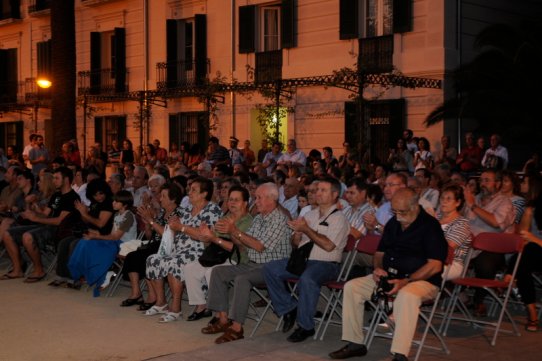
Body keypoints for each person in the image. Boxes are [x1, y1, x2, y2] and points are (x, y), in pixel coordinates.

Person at [328, 188, 447, 361]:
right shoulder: (393, 223)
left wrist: (407, 280)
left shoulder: (430, 226)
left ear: (415, 206)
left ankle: (399, 355)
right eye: (394, 211)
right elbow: (379, 254)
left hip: (422, 281)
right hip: (390, 277)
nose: (397, 216)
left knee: (407, 295)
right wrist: (377, 269)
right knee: (352, 287)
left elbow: (435, 265)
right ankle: (355, 344)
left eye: (402, 211)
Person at [201, 182, 291, 343]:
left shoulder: (278, 219)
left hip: (272, 267)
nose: (256, 201)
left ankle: (237, 328)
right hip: (253, 262)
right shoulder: (259, 219)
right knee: (218, 271)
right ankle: (223, 320)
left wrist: (233, 231)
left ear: (272, 198)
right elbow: (243, 244)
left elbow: (259, 246)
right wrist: (228, 232)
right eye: (256, 197)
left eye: (259, 198)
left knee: (242, 279)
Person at [263, 176, 349, 342]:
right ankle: (289, 308)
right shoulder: (309, 214)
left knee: (308, 278)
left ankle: (305, 326)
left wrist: (306, 230)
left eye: (323, 190)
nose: (318, 193)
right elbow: (296, 244)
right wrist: (297, 234)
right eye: (317, 190)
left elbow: (328, 246)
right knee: (270, 268)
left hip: (327, 264)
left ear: (334, 194)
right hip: (303, 261)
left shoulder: (339, 218)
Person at [145, 177, 222, 322]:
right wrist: (173, 228)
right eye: (189, 189)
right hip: (179, 248)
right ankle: (161, 303)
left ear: (204, 194)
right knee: (153, 259)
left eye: (194, 190)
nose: (189, 192)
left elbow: (204, 236)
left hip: (199, 252)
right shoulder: (187, 210)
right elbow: (174, 232)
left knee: (175, 263)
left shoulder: (212, 210)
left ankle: (176, 309)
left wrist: (181, 227)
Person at [183, 185, 253, 321]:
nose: (231, 203)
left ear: (245, 203)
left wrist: (215, 238)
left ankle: (219, 312)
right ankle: (201, 306)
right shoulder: (226, 217)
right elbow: (212, 241)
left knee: (212, 272)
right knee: (190, 268)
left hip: (237, 259)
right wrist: (206, 237)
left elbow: (238, 249)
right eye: (230, 200)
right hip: (219, 256)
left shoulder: (249, 221)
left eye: (236, 200)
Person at [1, 167, 80, 282]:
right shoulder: (56, 196)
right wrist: (36, 210)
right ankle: (17, 269)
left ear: (66, 180)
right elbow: (46, 215)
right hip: (46, 226)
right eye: (53, 178)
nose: (53, 181)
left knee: (27, 236)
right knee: (7, 234)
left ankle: (39, 270)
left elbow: (59, 221)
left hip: (59, 230)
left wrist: (35, 218)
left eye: (57, 178)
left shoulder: (72, 198)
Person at [120, 183, 184, 309]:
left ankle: (153, 296)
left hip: (169, 246)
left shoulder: (179, 214)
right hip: (155, 244)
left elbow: (169, 236)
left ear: (173, 199)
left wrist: (151, 220)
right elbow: (151, 236)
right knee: (132, 256)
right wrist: (148, 225)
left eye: (164, 196)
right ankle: (136, 293)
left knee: (146, 257)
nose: (160, 199)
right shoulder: (162, 213)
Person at [463, 169, 515, 316]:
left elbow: (495, 223)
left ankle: (479, 300)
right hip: (469, 245)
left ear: (497, 184)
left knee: (484, 261)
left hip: (495, 249)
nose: (482, 184)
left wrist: (473, 206)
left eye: (487, 180)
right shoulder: (475, 198)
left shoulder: (505, 202)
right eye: (481, 180)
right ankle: (459, 294)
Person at [68, 190, 138, 296]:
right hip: (115, 242)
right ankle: (83, 272)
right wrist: (95, 234)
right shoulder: (117, 215)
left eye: (116, 201)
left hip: (125, 245)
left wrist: (97, 236)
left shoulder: (128, 216)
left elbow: (116, 236)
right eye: (113, 201)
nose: (113, 203)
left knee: (94, 246)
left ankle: (103, 273)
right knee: (85, 242)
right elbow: (111, 234)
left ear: (125, 204)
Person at [50, 178, 115, 288]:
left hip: (101, 236)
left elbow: (101, 224)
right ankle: (62, 275)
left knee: (74, 244)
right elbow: (87, 220)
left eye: (101, 193)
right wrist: (83, 212)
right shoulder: (95, 203)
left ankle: (75, 277)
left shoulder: (108, 203)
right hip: (88, 232)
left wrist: (84, 214)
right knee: (64, 243)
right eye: (96, 195)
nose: (99, 197)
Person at [504, 173, 542, 332]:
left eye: (525, 181)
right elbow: (523, 234)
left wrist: (533, 239)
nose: (521, 184)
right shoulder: (530, 207)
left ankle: (509, 276)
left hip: (536, 250)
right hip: (531, 254)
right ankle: (532, 311)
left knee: (527, 252)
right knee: (524, 261)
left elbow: (530, 238)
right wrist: (527, 213)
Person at [437, 184, 472, 280]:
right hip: (430, 259)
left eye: (449, 199)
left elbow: (446, 248)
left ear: (458, 202)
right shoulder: (436, 218)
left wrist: (433, 225)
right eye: (442, 198)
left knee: (420, 269)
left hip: (452, 263)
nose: (444, 201)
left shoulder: (462, 224)